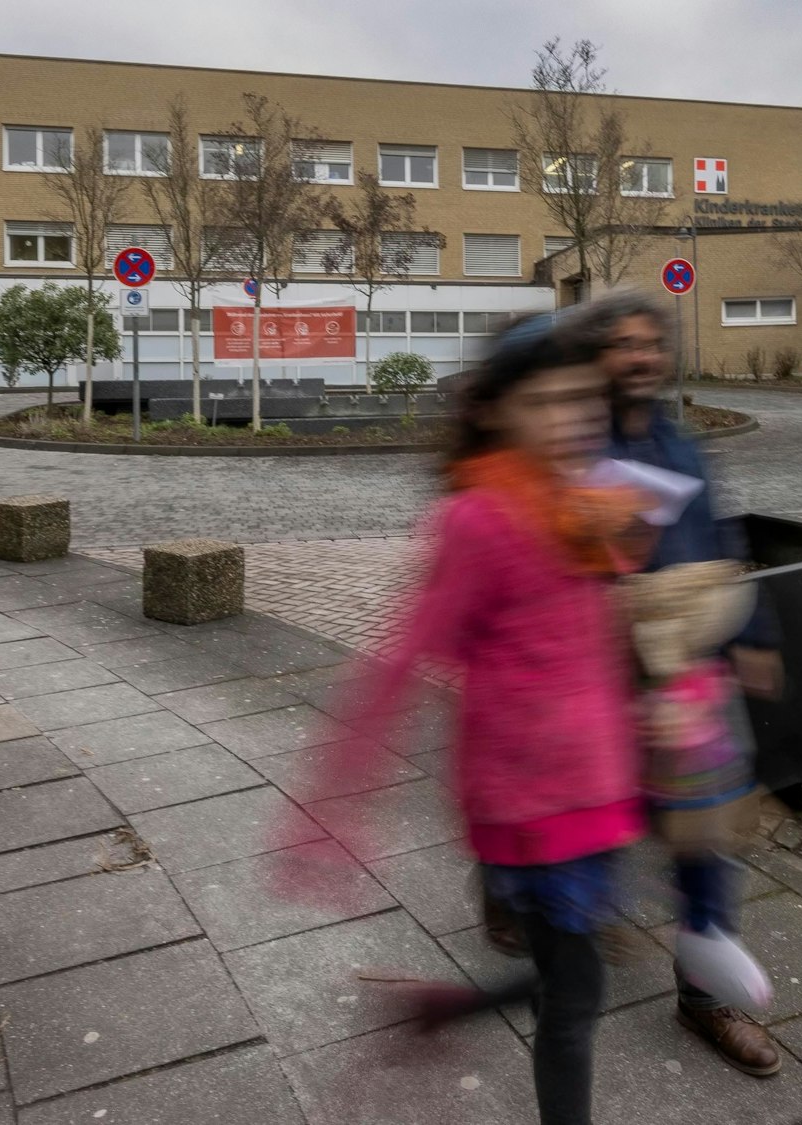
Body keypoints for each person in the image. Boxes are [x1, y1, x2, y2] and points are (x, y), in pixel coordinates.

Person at [298, 315, 651, 1125]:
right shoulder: (479, 518)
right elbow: (403, 658)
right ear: (496, 409)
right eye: (545, 402)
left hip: (595, 782)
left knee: (572, 974)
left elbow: (585, 632)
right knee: (578, 993)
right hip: (531, 798)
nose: (570, 419)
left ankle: (451, 1006)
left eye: (582, 399)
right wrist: (334, 806)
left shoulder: (576, 500)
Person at [573, 289, 785, 1078]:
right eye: (623, 344)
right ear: (598, 357)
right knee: (588, 816)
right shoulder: (571, 443)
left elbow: (721, 537)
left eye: (650, 344)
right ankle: (532, 894)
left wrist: (754, 634)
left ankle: (704, 996)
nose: (640, 357)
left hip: (686, 673)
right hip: (597, 673)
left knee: (705, 832)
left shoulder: (681, 442)